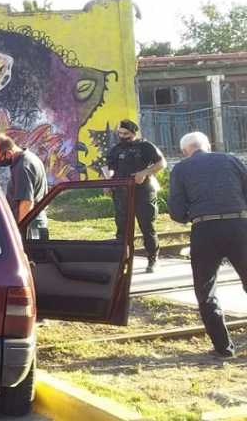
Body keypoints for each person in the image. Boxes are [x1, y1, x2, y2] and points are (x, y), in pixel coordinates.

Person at [168, 132, 247, 359]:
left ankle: (224, 349)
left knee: (206, 289)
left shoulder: (181, 169)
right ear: (208, 146)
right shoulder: (231, 159)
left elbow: (176, 211)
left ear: (185, 151)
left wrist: (192, 215)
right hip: (239, 225)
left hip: (205, 229)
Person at [105, 120, 167, 273]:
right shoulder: (115, 149)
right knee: (122, 228)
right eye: (120, 133)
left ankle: (153, 259)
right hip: (121, 193)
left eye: (126, 134)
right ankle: (123, 261)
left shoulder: (145, 146)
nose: (122, 136)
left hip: (143, 192)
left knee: (147, 226)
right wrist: (107, 182)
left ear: (134, 133)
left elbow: (161, 163)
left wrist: (144, 173)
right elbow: (109, 168)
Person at [0, 134, 48, 239]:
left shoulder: (22, 167)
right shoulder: (31, 158)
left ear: (8, 153)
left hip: (30, 229)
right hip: (37, 225)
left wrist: (20, 233)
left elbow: (26, 203)